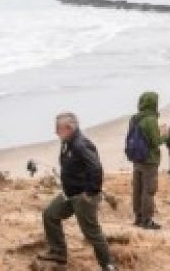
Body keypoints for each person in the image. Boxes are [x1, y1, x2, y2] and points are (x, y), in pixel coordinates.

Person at [37, 113, 117, 271]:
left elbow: (95, 167)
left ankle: (109, 266)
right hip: (69, 194)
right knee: (50, 214)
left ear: (69, 128)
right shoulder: (67, 142)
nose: (55, 132)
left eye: (58, 129)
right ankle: (58, 252)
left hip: (83, 196)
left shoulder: (81, 144)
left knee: (91, 233)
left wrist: (90, 192)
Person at [131, 91, 167, 229]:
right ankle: (147, 220)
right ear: (153, 103)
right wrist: (165, 134)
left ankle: (138, 217)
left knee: (137, 189)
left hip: (136, 158)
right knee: (149, 190)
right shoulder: (150, 119)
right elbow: (156, 141)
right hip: (149, 160)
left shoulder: (134, 118)